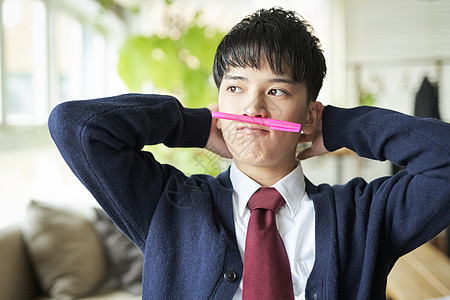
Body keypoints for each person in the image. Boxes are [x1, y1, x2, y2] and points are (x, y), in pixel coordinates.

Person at [48, 7, 450, 300]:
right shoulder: (165, 207)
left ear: (308, 116)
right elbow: (76, 127)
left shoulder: (364, 215)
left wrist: (340, 126)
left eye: (276, 91)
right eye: (235, 88)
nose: (252, 109)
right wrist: (194, 125)